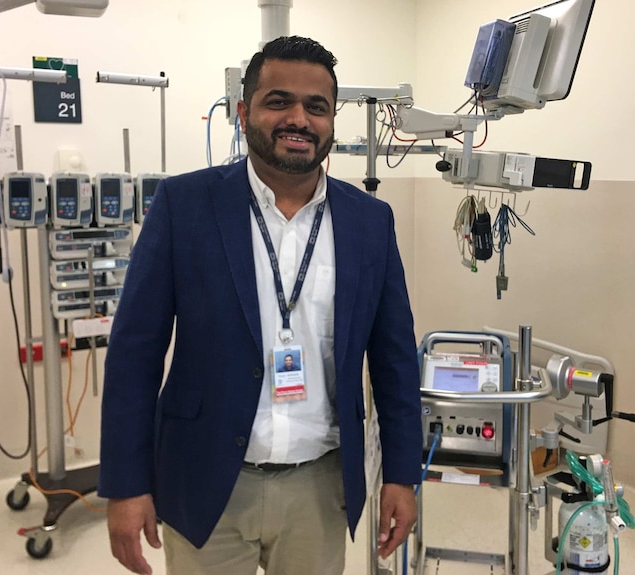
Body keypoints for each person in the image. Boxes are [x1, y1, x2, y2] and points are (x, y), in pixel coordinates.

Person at [98, 35, 423, 575]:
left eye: (316, 107)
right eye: (279, 102)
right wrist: (126, 485)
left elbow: (394, 361)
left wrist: (401, 474)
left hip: (320, 488)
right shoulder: (184, 205)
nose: (298, 118)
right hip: (205, 481)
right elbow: (134, 354)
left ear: (332, 121)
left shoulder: (370, 222)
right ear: (244, 111)